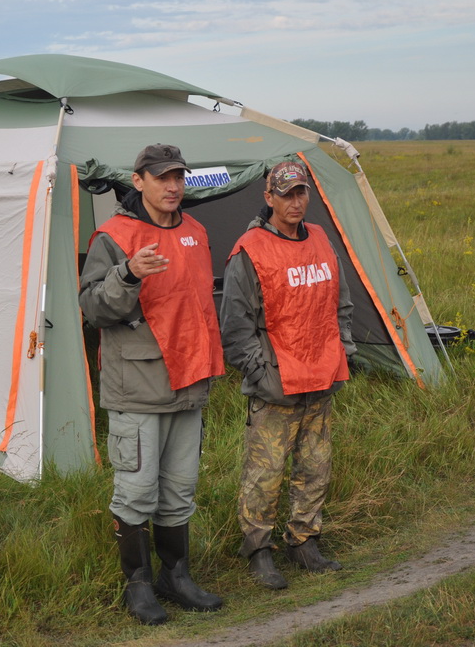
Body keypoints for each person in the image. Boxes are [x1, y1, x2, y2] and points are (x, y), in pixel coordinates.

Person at [79, 144, 225, 625]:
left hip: (189, 383)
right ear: (137, 181)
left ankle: (176, 576)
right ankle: (138, 585)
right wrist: (127, 275)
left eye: (179, 176)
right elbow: (94, 308)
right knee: (137, 492)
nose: (173, 186)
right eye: (161, 177)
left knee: (180, 489)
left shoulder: (197, 232)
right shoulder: (115, 236)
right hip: (138, 386)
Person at [219, 160, 356, 590]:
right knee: (265, 473)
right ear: (269, 198)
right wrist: (263, 376)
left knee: (315, 467)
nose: (295, 202)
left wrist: (343, 350)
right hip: (277, 387)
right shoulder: (251, 250)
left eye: (301, 193)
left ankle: (304, 541)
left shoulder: (320, 239)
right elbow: (235, 329)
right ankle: (258, 551)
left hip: (322, 378)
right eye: (286, 194)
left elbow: (341, 304)